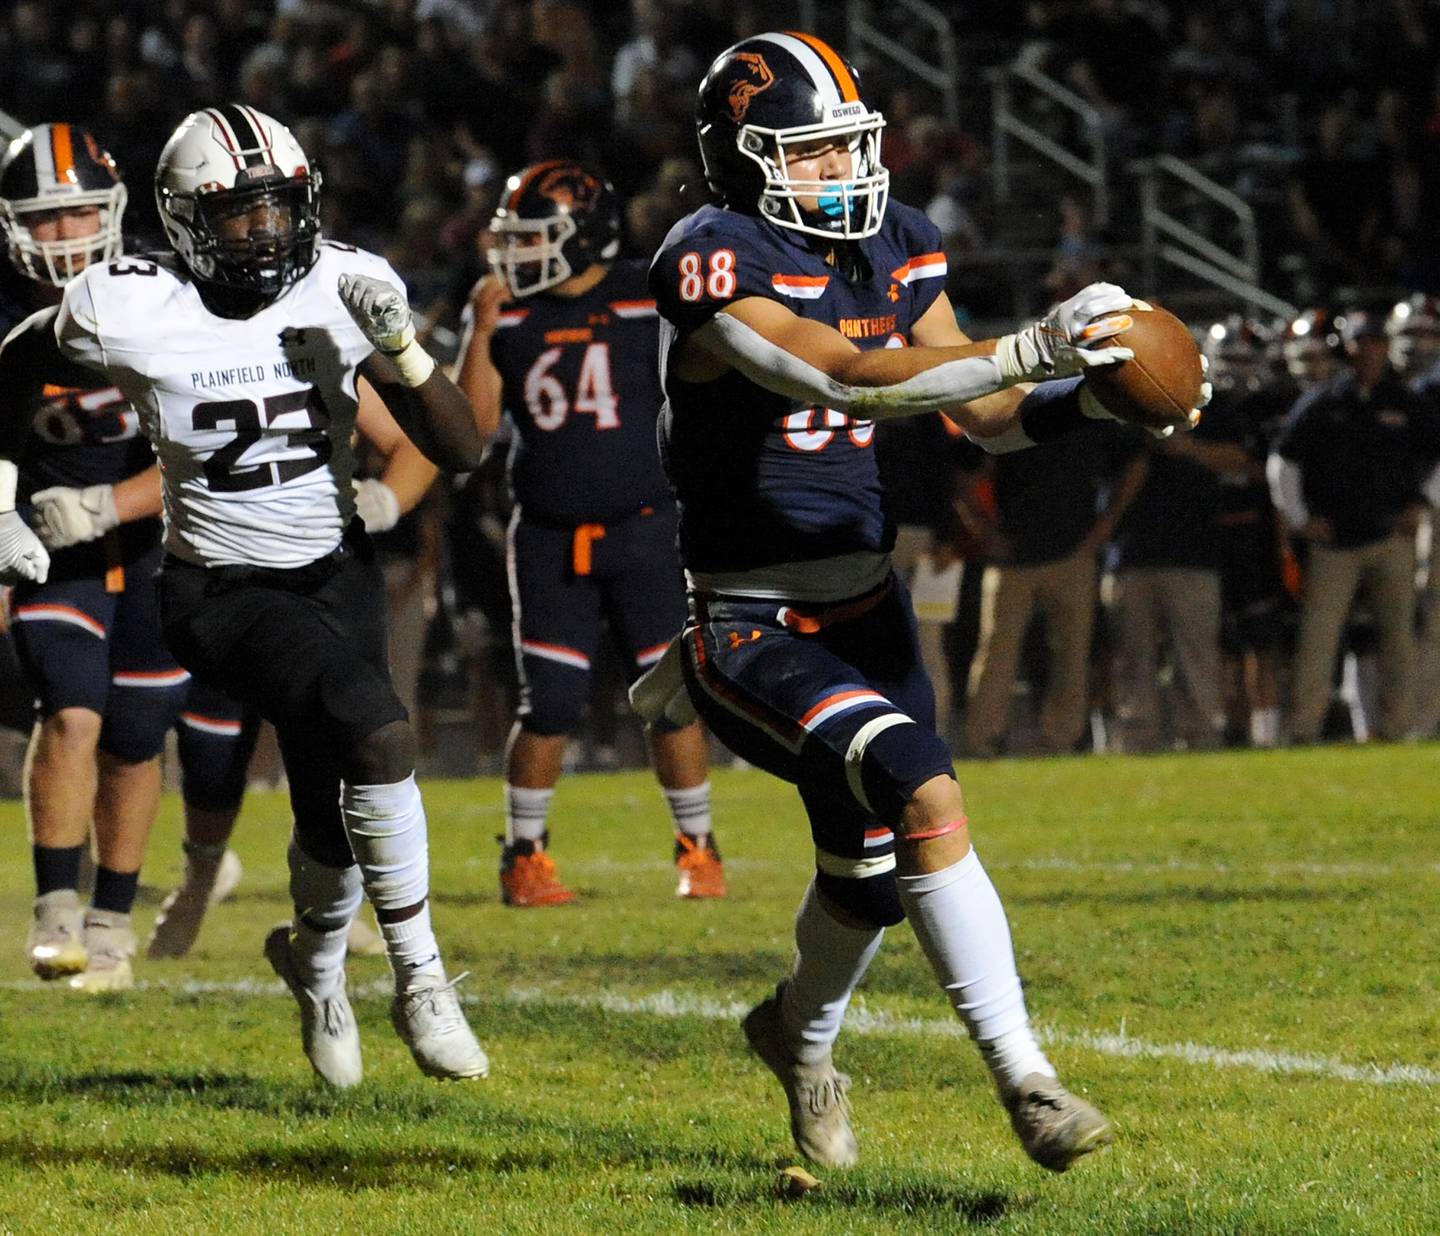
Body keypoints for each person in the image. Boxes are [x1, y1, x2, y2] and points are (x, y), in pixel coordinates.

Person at [637, 32, 1199, 1173]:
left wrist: (1094, 397)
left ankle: (796, 1042)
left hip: (865, 606)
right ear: (744, 164)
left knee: (865, 879)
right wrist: (1028, 345)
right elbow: (838, 375)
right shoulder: (711, 256)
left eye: (849, 143)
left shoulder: (895, 243)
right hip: (751, 622)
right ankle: (1027, 1080)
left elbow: (981, 418)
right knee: (922, 788)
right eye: (809, 152)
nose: (842, 168)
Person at [0, 105, 489, 1088]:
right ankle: (422, 978)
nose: (265, 233)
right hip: (218, 587)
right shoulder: (129, 301)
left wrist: (406, 348)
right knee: (381, 733)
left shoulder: (348, 283)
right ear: (183, 218)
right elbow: (16, 366)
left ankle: (312, 969)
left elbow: (463, 447)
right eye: (238, 214)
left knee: (327, 806)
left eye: (278, 209)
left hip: (336, 572)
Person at [455, 159, 725, 906]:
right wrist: (480, 330)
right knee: (549, 703)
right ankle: (524, 857)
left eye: (536, 236)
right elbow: (471, 434)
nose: (518, 252)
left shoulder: (648, 295)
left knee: (669, 696)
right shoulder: (504, 309)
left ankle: (698, 849)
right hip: (549, 535)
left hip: (646, 529)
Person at [0, 122, 226, 993]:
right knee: (73, 712)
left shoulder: (161, 292)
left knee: (137, 738)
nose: (64, 234)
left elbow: (213, 448)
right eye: (44, 218)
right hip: (48, 549)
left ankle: (110, 927)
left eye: (80, 213)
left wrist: (107, 504)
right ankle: (56, 908)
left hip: (157, 538)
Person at [1268, 310, 1440, 743]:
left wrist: (1422, 503)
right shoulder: (1326, 401)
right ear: (1349, 349)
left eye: (1376, 343)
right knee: (1319, 641)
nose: (1370, 352)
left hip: (1390, 538)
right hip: (1336, 542)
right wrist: (1302, 518)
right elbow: (1282, 461)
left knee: (1399, 642)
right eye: (1362, 344)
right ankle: (1303, 730)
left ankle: (1399, 731)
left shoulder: (1405, 401)